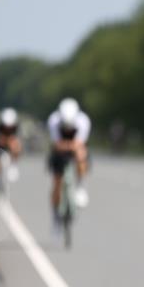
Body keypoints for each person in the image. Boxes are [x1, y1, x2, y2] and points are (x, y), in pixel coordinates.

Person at [47, 97, 91, 231]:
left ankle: (80, 186)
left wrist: (70, 146)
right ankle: (55, 213)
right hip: (60, 151)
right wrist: (68, 146)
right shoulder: (53, 121)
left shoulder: (83, 121)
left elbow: (79, 144)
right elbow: (56, 145)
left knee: (81, 154)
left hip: (75, 149)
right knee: (57, 182)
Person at [0, 107, 22, 186]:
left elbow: (17, 139)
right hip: (1, 143)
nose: (8, 128)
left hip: (11, 142)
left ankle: (14, 165)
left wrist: (11, 143)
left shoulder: (16, 126)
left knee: (16, 146)